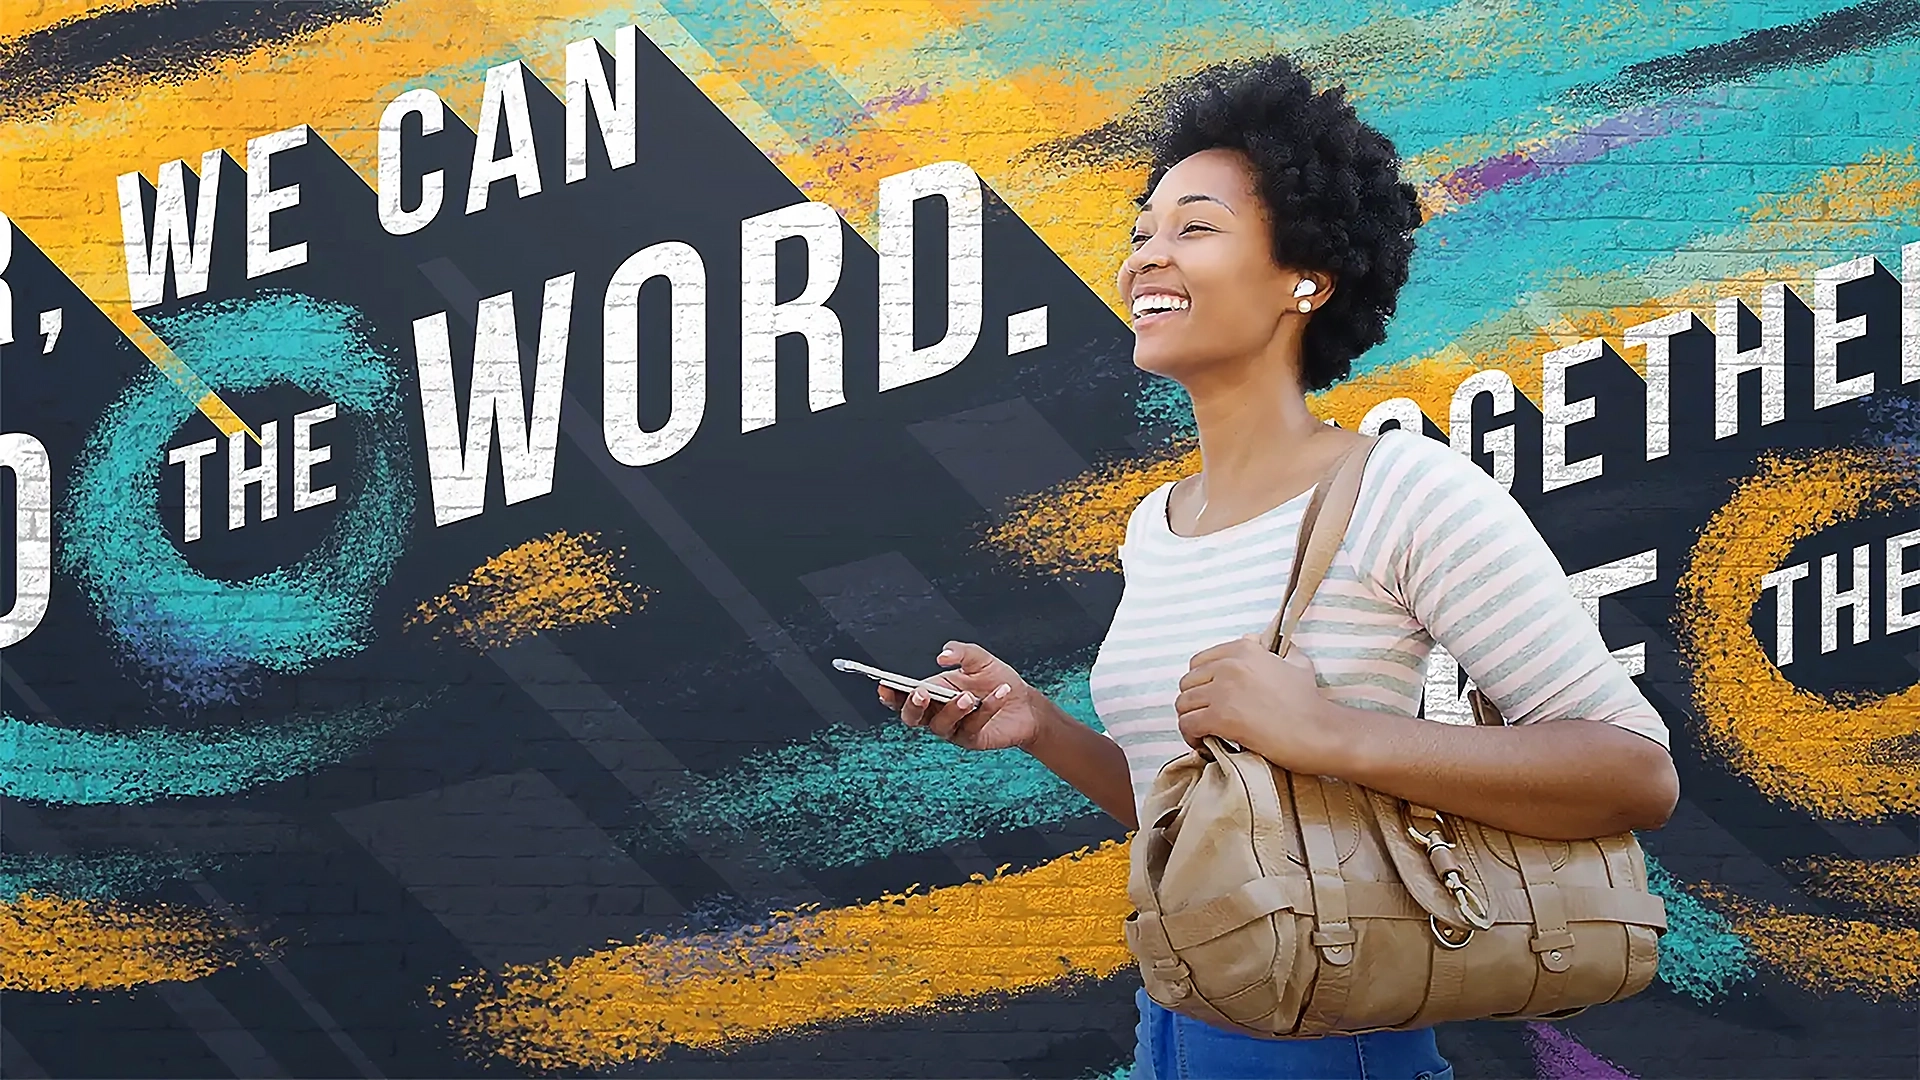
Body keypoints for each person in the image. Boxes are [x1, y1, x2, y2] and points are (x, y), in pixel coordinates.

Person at [877, 53, 1679, 1080]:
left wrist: (1325, 731)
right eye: (1141, 235)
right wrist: (1040, 728)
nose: (1144, 260)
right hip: (1175, 1026)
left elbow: (1632, 772)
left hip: (1331, 1045)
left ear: (1307, 275)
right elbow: (1222, 831)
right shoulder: (1156, 525)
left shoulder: (1405, 491)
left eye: (1194, 228)